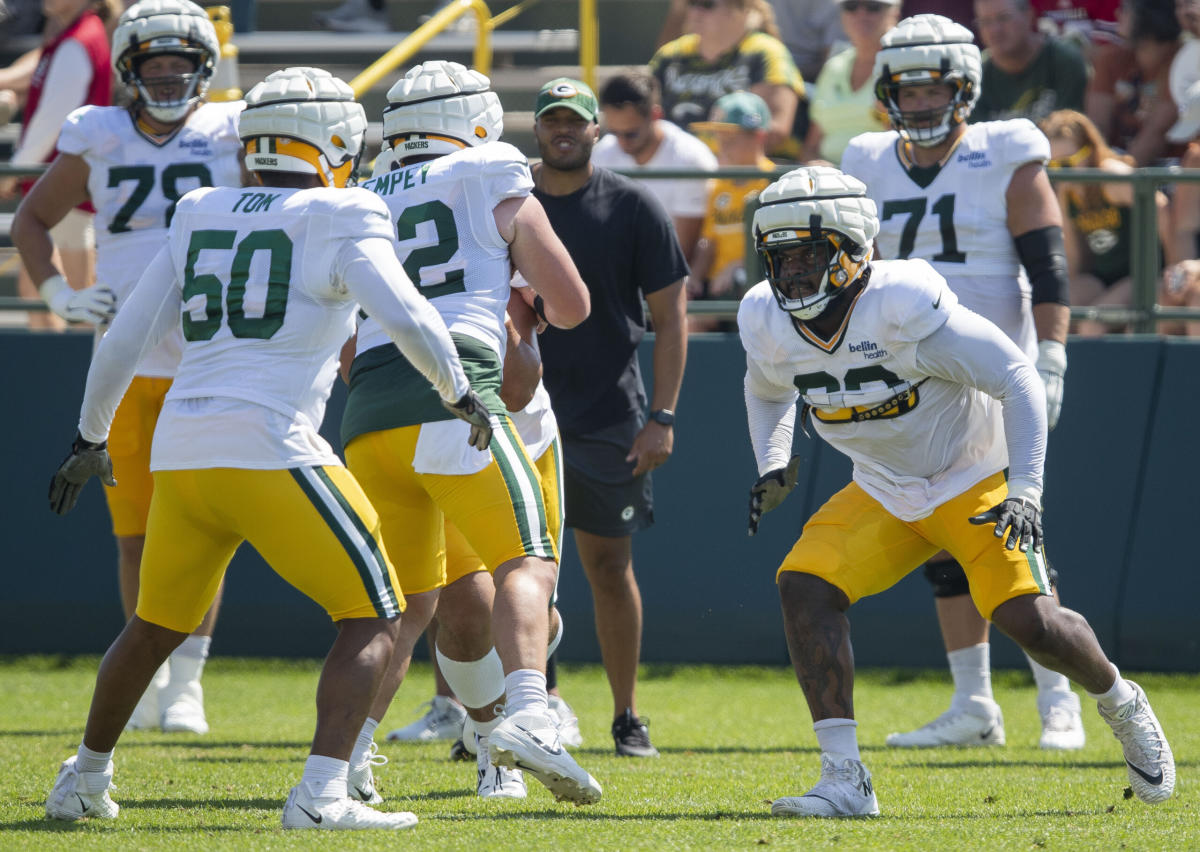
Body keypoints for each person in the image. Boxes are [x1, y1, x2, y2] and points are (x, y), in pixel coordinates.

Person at [41, 65, 494, 831]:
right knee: (376, 615)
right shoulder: (342, 211)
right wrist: (459, 389)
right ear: (335, 141)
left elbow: (124, 338)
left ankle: (82, 778)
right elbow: (410, 317)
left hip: (183, 449)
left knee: (153, 624)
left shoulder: (198, 209)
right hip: (272, 443)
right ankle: (322, 796)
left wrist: (89, 434)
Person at [741, 164, 1175, 818]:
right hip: (884, 490)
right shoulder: (765, 318)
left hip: (970, 477)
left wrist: (1026, 487)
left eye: (807, 254)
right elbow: (766, 388)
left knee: (1029, 620)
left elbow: (1017, 379)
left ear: (853, 249)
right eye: (779, 257)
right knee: (803, 583)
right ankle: (844, 779)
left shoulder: (902, 302)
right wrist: (772, 460)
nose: (791, 272)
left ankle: (1120, 700)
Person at [341, 60, 600, 805]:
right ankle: (530, 715)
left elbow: (348, 345)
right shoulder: (492, 173)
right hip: (464, 405)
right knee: (526, 564)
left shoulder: (360, 195)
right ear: (477, 120)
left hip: (369, 416)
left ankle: (349, 756)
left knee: (403, 600)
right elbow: (574, 303)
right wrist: (521, 305)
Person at [841, 14, 1080, 750]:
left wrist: (1053, 356)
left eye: (931, 88)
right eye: (904, 90)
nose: (916, 104)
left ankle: (1059, 698)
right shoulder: (867, 157)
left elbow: (1048, 268)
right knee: (939, 536)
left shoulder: (1007, 148)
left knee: (1008, 527)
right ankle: (975, 704)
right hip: (909, 376)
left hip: (994, 369)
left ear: (965, 87)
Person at [11, 0, 246, 736]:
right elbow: (32, 219)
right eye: (155, 64)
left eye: (182, 65)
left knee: (203, 531)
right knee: (135, 536)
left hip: (210, 359)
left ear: (205, 70)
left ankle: (189, 687)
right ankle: (149, 679)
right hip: (128, 361)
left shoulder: (232, 132)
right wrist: (56, 291)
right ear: (129, 71)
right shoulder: (99, 133)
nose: (170, 77)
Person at [531, 77, 689, 758]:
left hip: (606, 413)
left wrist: (663, 415)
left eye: (576, 120)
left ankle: (626, 714)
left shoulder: (632, 206)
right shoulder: (509, 199)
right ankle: (527, 706)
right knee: (514, 568)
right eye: (552, 119)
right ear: (536, 128)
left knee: (606, 566)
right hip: (516, 410)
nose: (564, 129)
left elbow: (672, 316)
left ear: (600, 129)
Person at [0, 0, 118, 331]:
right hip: (61, 186)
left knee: (67, 298)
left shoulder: (80, 40)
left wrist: (15, 169)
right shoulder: (71, 36)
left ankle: (69, 377)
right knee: (47, 293)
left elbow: (53, 122)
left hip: (61, 189)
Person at [1041, 109, 1170, 337]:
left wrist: (1171, 267)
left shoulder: (1111, 177)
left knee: (1092, 325)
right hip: (1102, 277)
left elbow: (1158, 205)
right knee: (1052, 312)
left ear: (1089, 151)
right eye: (1052, 167)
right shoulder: (1066, 190)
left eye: (1067, 164)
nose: (1060, 173)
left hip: (1137, 275)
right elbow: (1076, 258)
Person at [649, 0, 808, 160]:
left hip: (745, 174)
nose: (695, 12)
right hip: (676, 165)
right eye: (691, 3)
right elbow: (643, 114)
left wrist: (708, 155)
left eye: (707, 4)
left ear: (741, 10)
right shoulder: (670, 54)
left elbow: (775, 130)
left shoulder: (764, 52)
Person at [592, 69, 718, 261]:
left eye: (631, 133)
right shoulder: (600, 154)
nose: (621, 142)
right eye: (614, 132)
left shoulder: (691, 159)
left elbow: (682, 253)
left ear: (656, 114)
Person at [687, 90, 776, 331]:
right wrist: (694, 277)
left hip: (756, 285)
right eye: (718, 135)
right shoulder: (718, 186)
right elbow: (709, 241)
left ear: (757, 136)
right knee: (684, 321)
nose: (721, 144)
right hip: (718, 288)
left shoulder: (775, 183)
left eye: (731, 137)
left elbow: (779, 245)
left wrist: (740, 264)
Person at [806, 0, 900, 165]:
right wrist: (817, 168)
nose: (861, 14)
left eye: (873, 7)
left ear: (894, 13)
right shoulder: (833, 67)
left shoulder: (903, 66)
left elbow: (907, 144)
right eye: (851, 6)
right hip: (828, 184)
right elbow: (810, 146)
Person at [970, 0, 1088, 125]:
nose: (995, 30)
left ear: (1029, 15)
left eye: (1004, 18)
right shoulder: (975, 75)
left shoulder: (1065, 61)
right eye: (985, 22)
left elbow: (1070, 134)